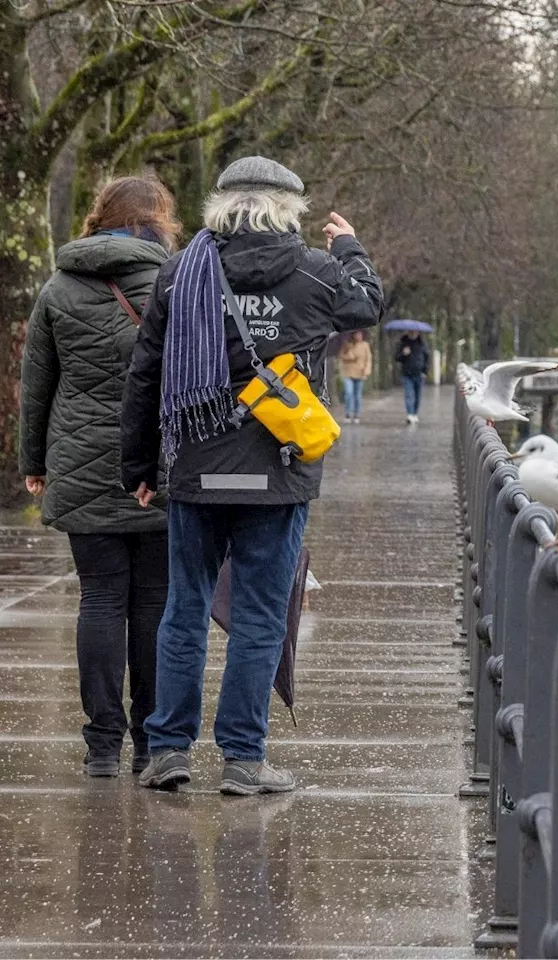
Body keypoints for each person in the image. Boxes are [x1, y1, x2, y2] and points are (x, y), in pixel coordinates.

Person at [120, 156, 384, 794]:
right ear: (288, 208)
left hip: (194, 469)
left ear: (222, 206)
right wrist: (348, 245)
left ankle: (168, 751)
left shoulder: (182, 273)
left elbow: (145, 372)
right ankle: (242, 759)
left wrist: (138, 465)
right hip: (278, 473)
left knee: (183, 610)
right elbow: (368, 303)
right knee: (263, 616)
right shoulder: (315, 273)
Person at [18, 175, 181, 778]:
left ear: (99, 216)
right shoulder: (174, 280)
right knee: (156, 603)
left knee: (101, 598)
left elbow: (36, 384)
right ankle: (151, 742)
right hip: (162, 464)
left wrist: (33, 462)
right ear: (159, 220)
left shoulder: (59, 286)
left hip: (80, 464)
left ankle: (101, 747)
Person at [337, 330, 372, 423]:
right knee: (349, 393)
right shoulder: (347, 345)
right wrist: (349, 356)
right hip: (348, 372)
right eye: (357, 334)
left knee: (357, 395)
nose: (358, 336)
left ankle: (356, 414)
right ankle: (348, 413)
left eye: (360, 334)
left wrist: (367, 369)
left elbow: (368, 359)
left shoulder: (365, 345)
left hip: (360, 373)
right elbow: (341, 356)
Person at [396, 330, 427, 424]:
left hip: (419, 374)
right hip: (407, 374)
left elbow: (427, 358)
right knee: (409, 394)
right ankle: (409, 414)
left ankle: (415, 413)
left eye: (415, 332)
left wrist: (425, 371)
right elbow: (397, 358)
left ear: (418, 333)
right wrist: (403, 354)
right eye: (411, 332)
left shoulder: (422, 344)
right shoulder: (403, 343)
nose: (413, 333)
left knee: (418, 395)